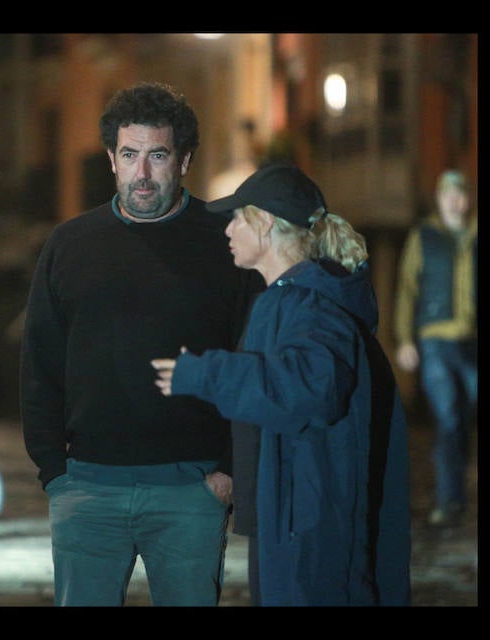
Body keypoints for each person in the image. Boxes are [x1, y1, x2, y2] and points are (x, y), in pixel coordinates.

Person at [20, 81, 263, 606]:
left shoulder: (225, 241)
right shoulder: (69, 244)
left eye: (158, 155)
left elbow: (253, 355)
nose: (143, 173)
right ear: (112, 159)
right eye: (130, 155)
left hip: (191, 486)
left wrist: (228, 469)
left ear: (184, 159)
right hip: (86, 486)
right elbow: (40, 362)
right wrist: (54, 472)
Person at [151, 163, 412, 606]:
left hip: (311, 529)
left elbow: (312, 386)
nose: (228, 230)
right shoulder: (288, 300)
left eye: (237, 218)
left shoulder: (310, 305)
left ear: (265, 222)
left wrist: (207, 373)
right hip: (292, 518)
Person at [393, 169, 477, 529]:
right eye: (448, 195)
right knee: (448, 418)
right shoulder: (423, 237)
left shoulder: (475, 235)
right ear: (440, 199)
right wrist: (405, 338)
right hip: (435, 339)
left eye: (460, 194)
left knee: (465, 420)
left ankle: (456, 493)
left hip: (472, 340)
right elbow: (408, 287)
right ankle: (448, 499)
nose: (455, 200)